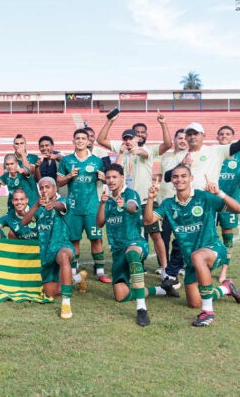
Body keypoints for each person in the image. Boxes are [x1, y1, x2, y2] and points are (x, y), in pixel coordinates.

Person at [145, 165, 240, 327]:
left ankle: (208, 313)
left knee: (197, 256)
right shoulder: (168, 204)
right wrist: (150, 199)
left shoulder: (204, 197)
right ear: (172, 181)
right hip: (191, 260)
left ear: (191, 178)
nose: (179, 179)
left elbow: (238, 209)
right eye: (175, 177)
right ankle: (226, 288)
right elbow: (148, 221)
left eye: (183, 176)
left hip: (213, 249)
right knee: (194, 302)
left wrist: (219, 193)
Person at [96, 164, 179, 326]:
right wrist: (102, 204)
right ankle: (162, 289)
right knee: (121, 296)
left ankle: (141, 309)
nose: (111, 180)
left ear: (122, 178)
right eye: (108, 177)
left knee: (132, 253)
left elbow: (133, 207)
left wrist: (124, 205)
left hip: (136, 243)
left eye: (114, 177)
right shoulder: (107, 198)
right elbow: (99, 223)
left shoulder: (130, 193)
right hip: (118, 251)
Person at [97, 111, 172, 276]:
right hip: (124, 200)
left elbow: (165, 145)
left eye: (132, 138)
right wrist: (110, 121)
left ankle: (165, 268)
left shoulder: (147, 149)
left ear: (138, 139)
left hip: (145, 199)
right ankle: (138, 265)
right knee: (132, 233)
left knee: (155, 234)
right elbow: (100, 140)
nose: (128, 141)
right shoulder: (121, 149)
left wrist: (163, 123)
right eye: (126, 138)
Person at [22, 177, 88, 319]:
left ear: (55, 188)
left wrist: (52, 204)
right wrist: (36, 205)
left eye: (47, 187)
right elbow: (24, 222)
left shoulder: (64, 201)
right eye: (41, 188)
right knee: (51, 293)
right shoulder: (38, 206)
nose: (44, 190)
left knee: (64, 256)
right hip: (46, 252)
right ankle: (77, 278)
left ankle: (66, 303)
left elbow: (60, 206)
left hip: (62, 245)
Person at [57, 129, 107, 284]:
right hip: (73, 207)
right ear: (73, 141)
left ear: (88, 141)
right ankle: (73, 270)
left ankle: (100, 271)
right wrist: (69, 176)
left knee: (96, 238)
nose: (80, 141)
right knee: (74, 240)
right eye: (77, 138)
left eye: (83, 138)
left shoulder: (97, 161)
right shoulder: (66, 160)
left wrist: (104, 179)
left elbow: (106, 180)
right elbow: (59, 181)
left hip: (92, 207)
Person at [168, 116, 240, 191]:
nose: (192, 136)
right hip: (184, 199)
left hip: (207, 197)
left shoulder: (215, 150)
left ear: (203, 135)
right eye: (189, 134)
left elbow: (239, 145)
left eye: (196, 133)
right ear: (186, 137)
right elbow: (167, 177)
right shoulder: (179, 155)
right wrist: (181, 165)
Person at [215, 125, 240, 283]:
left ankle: (224, 269)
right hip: (211, 200)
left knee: (227, 235)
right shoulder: (212, 152)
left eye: (228, 134)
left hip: (230, 201)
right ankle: (207, 264)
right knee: (207, 233)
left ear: (233, 137)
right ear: (217, 137)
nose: (224, 136)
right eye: (221, 134)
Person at [158, 129, 188, 287]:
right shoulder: (166, 156)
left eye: (185, 138)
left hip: (181, 203)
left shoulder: (190, 155)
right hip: (164, 201)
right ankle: (163, 265)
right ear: (174, 140)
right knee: (163, 235)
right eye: (180, 138)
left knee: (181, 237)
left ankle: (180, 265)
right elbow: (164, 176)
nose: (183, 141)